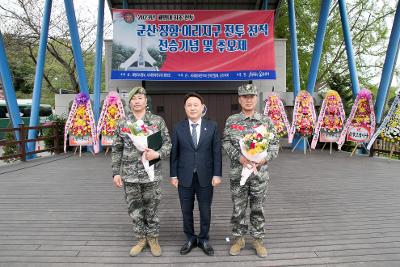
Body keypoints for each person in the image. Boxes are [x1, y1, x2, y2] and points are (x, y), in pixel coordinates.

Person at [111, 86, 171, 257]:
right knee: (135, 208)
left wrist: (157, 153)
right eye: (133, 99)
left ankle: (153, 238)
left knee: (152, 207)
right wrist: (116, 172)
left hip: (151, 173)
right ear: (129, 102)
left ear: (146, 101)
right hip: (130, 175)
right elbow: (116, 149)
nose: (136, 101)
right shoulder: (123, 123)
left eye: (140, 98)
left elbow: (168, 144)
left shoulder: (156, 121)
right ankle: (140, 239)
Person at [222, 84, 279, 258]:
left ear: (256, 99)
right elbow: (225, 142)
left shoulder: (265, 121)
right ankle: (238, 239)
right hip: (238, 173)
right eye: (244, 97)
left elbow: (275, 144)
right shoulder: (232, 121)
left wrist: (264, 159)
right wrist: (239, 157)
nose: (248, 100)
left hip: (259, 174)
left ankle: (257, 240)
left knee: (258, 208)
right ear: (239, 99)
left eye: (251, 97)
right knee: (238, 208)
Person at [170, 92, 222, 256]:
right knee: (186, 210)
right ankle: (191, 238)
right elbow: (174, 153)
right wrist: (173, 175)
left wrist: (217, 174)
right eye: (189, 105)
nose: (192, 108)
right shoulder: (179, 127)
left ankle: (204, 239)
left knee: (205, 210)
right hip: (184, 177)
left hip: (206, 176)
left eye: (196, 105)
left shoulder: (212, 126)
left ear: (202, 108)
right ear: (185, 108)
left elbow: (216, 152)